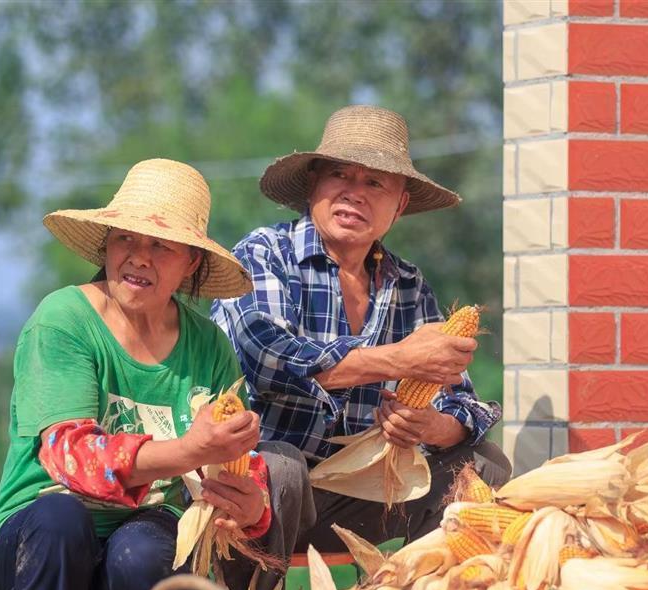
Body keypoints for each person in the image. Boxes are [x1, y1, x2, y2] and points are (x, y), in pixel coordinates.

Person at [0, 159, 315, 590]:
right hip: (37, 545)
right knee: (61, 520)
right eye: (125, 240)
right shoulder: (64, 320)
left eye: (161, 246)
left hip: (136, 547)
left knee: (149, 549)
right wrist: (188, 449)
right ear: (107, 244)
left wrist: (250, 505)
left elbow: (229, 468)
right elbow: (72, 457)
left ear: (191, 263)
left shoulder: (209, 347)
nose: (139, 258)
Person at [212, 105, 509, 553]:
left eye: (374, 182)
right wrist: (402, 359)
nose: (355, 194)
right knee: (284, 465)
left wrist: (430, 426)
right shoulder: (264, 253)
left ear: (400, 205)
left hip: (357, 493)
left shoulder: (408, 285)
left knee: (486, 464)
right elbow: (269, 359)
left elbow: (460, 400)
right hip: (263, 490)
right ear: (314, 185)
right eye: (340, 176)